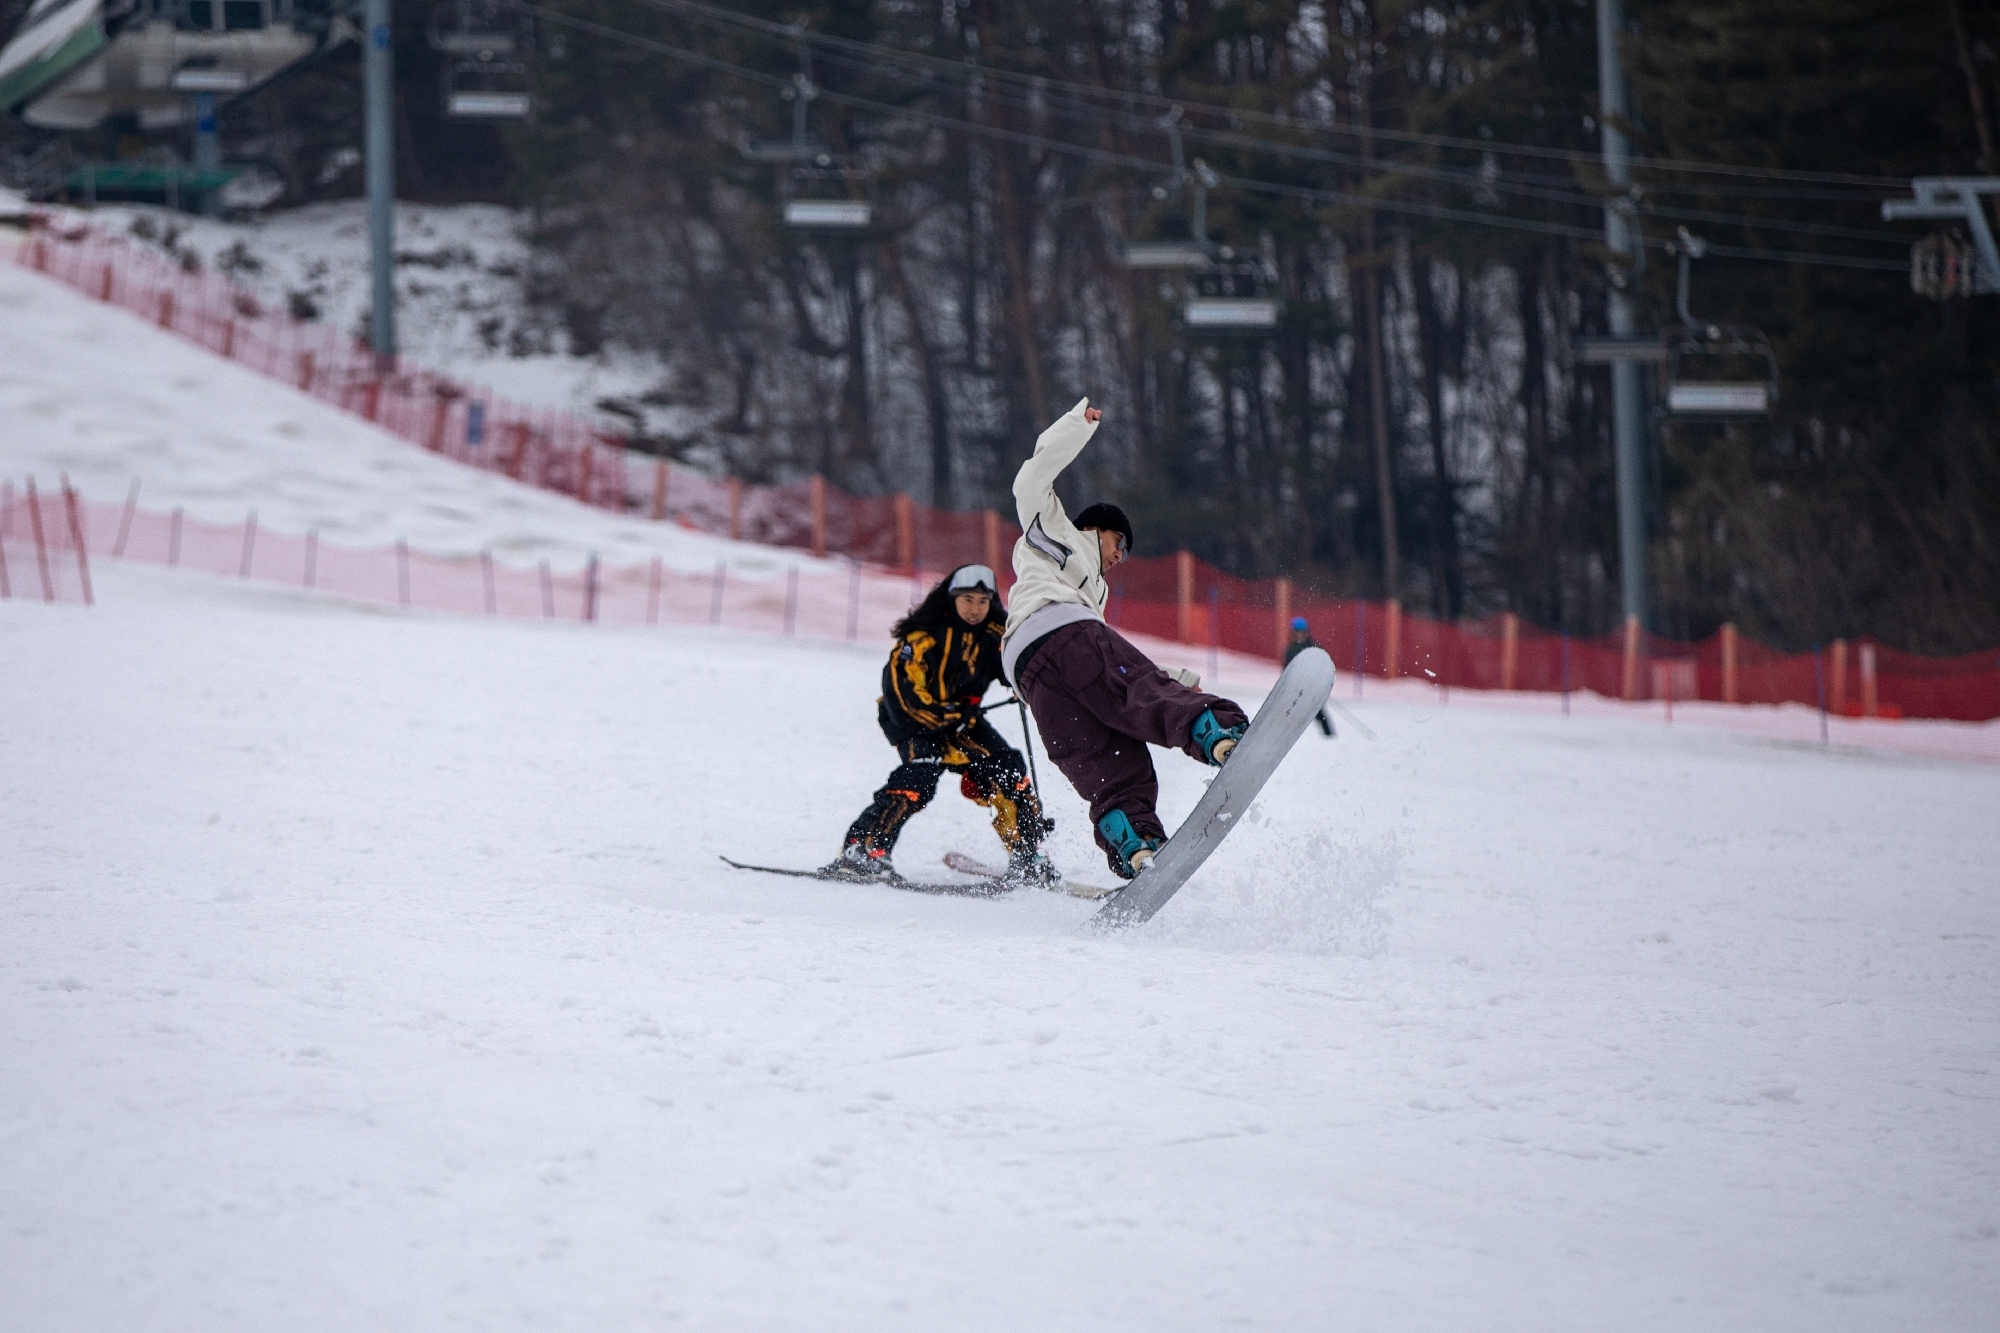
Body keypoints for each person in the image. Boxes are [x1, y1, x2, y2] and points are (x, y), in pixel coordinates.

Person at [1002, 398, 1252, 880]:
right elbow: (1030, 479)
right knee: (1137, 694)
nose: (1120, 557)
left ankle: (1133, 841)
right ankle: (1214, 732)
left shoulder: (1091, 593)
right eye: (1120, 544)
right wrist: (1076, 425)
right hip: (1060, 631)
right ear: (1095, 529)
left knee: (1106, 762)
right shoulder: (1055, 528)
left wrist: (1171, 678)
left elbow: (1109, 666)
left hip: (1032, 673)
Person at [826, 563, 1058, 886]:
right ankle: (863, 849)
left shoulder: (995, 635)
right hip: (910, 718)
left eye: (983, 601)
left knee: (1008, 769)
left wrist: (1026, 680)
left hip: (963, 720)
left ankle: (1028, 855)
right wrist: (947, 719)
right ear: (951, 599)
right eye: (968, 600)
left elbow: (1014, 667)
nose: (976, 609)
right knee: (920, 776)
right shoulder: (923, 636)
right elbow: (901, 692)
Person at [1287, 617, 1336, 737]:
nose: (1298, 635)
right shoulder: (1290, 649)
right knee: (1292, 714)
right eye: (1296, 632)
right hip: (1296, 689)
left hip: (1312, 688)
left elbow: (1323, 667)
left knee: (1318, 712)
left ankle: (1329, 736)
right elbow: (1287, 670)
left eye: (1301, 632)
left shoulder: (1314, 648)